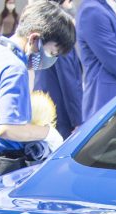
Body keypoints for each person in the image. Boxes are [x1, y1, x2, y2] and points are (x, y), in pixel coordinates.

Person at [0, 0, 75, 182]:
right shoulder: (14, 68)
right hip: (10, 173)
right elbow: (7, 128)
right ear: (34, 39)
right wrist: (47, 133)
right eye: (52, 53)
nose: (51, 60)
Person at [34, 0, 83, 138]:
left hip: (43, 107)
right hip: (60, 114)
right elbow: (69, 84)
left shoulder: (44, 29)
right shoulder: (60, 36)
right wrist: (78, 121)